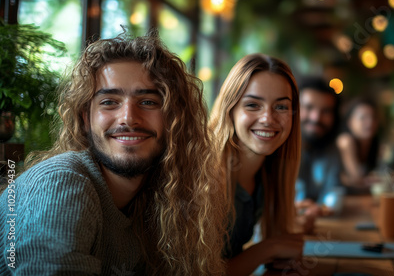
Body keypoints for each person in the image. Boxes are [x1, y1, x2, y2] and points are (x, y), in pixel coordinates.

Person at [0, 30, 226, 275]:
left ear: (174, 119)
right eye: (109, 102)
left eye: (148, 102)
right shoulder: (61, 183)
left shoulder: (157, 203)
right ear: (86, 119)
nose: (128, 118)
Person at [209, 53, 303, 276]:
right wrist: (270, 249)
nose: (268, 118)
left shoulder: (269, 173)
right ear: (230, 110)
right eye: (253, 105)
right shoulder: (206, 177)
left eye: (281, 107)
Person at [295, 77, 342, 217]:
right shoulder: (275, 148)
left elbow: (333, 192)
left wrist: (322, 209)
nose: (316, 118)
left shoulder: (331, 149)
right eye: (309, 107)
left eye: (326, 111)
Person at [336, 97, 381, 192]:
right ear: (350, 122)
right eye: (363, 118)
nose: (370, 122)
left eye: (373, 117)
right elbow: (357, 178)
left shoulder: (373, 143)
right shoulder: (346, 141)